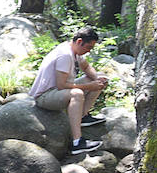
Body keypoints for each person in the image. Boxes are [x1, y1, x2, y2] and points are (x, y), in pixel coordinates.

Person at [29, 26, 107, 155]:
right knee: (77, 94)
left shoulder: (75, 52)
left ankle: (82, 116)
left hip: (59, 91)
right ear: (79, 42)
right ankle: (77, 142)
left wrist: (98, 80)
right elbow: (62, 85)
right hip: (45, 96)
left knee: (98, 79)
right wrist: (90, 86)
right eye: (88, 48)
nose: (88, 51)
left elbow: (87, 68)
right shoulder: (65, 54)